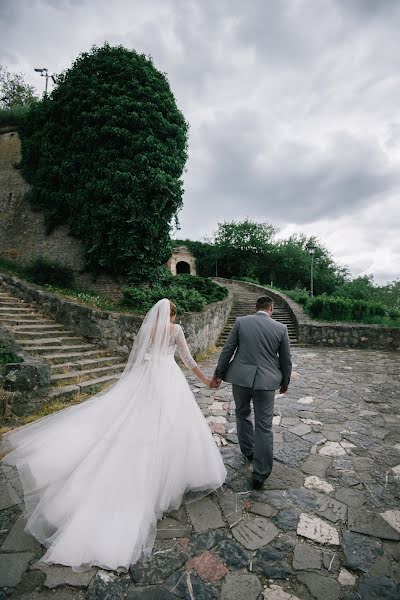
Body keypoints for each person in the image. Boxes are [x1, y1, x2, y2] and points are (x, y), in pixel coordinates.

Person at [2, 299, 226, 572]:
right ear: (173, 313)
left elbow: (137, 357)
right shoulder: (175, 329)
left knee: (135, 423)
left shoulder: (147, 329)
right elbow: (188, 360)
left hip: (145, 378)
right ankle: (167, 473)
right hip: (168, 379)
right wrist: (206, 380)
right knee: (171, 427)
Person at [211, 295, 291, 490]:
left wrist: (218, 374)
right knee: (264, 426)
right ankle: (260, 474)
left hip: (241, 379)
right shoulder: (281, 328)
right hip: (266, 382)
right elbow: (286, 359)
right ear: (271, 309)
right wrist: (285, 382)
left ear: (256, 307)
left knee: (242, 413)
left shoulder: (241, 322)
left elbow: (228, 350)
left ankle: (248, 451)